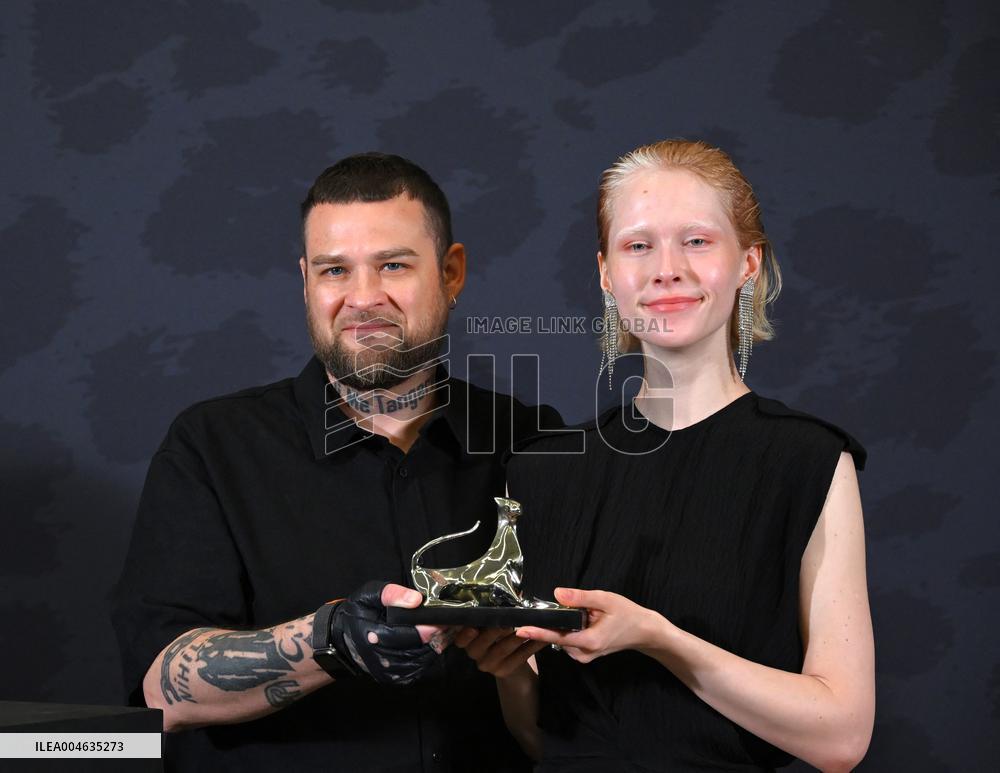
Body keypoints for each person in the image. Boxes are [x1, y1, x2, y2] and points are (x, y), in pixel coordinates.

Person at [111, 152, 560, 772]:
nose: (362, 298)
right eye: (334, 271)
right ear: (305, 281)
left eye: (394, 265)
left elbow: (585, 708)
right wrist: (331, 639)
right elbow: (163, 688)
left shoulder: (533, 439)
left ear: (452, 272)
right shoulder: (212, 445)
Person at [456, 140, 875, 771]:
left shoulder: (808, 463)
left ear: (748, 263)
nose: (666, 268)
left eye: (698, 241)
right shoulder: (542, 470)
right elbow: (542, 742)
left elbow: (841, 739)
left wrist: (659, 638)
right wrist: (509, 673)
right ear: (605, 272)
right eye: (638, 244)